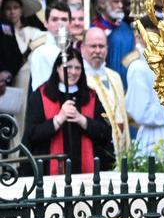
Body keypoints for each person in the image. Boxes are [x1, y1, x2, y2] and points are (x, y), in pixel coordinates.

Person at [22, 47, 114, 175]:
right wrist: (58, 119)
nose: (73, 72)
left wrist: (82, 120)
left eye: (78, 68)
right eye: (68, 67)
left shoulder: (90, 96)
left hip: (87, 173)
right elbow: (31, 134)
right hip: (49, 173)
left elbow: (105, 132)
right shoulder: (41, 95)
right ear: (57, 68)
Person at [125, 20, 164, 160]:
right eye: (153, 35)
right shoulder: (138, 67)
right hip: (154, 136)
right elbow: (140, 112)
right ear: (139, 37)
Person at [82, 27, 131, 161]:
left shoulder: (114, 76)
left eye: (101, 46)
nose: (97, 51)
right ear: (82, 48)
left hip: (120, 146)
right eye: (93, 46)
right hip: (96, 149)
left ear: (107, 49)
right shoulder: (80, 79)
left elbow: (123, 115)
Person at [90, 0, 133, 88]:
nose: (120, 6)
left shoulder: (127, 28)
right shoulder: (93, 30)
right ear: (102, 4)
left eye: (121, 1)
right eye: (115, 2)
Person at [28, 1, 70, 92]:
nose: (60, 24)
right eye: (54, 19)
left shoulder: (71, 48)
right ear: (45, 23)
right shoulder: (42, 52)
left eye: (64, 19)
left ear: (69, 23)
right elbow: (42, 89)